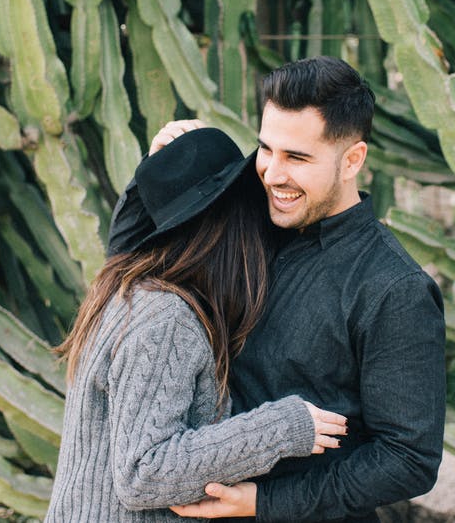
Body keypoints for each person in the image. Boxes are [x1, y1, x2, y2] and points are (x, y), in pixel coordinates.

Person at [153, 57, 447, 522]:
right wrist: (155, 177)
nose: (272, 173)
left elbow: (409, 459)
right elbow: (136, 272)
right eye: (266, 149)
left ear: (352, 160)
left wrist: (264, 503)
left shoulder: (394, 289)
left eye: (297, 157)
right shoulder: (247, 221)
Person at [46, 127, 348, 522]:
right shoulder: (167, 318)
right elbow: (143, 472)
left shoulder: (126, 288)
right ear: (229, 224)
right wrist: (282, 428)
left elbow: (125, 243)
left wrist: (155, 176)